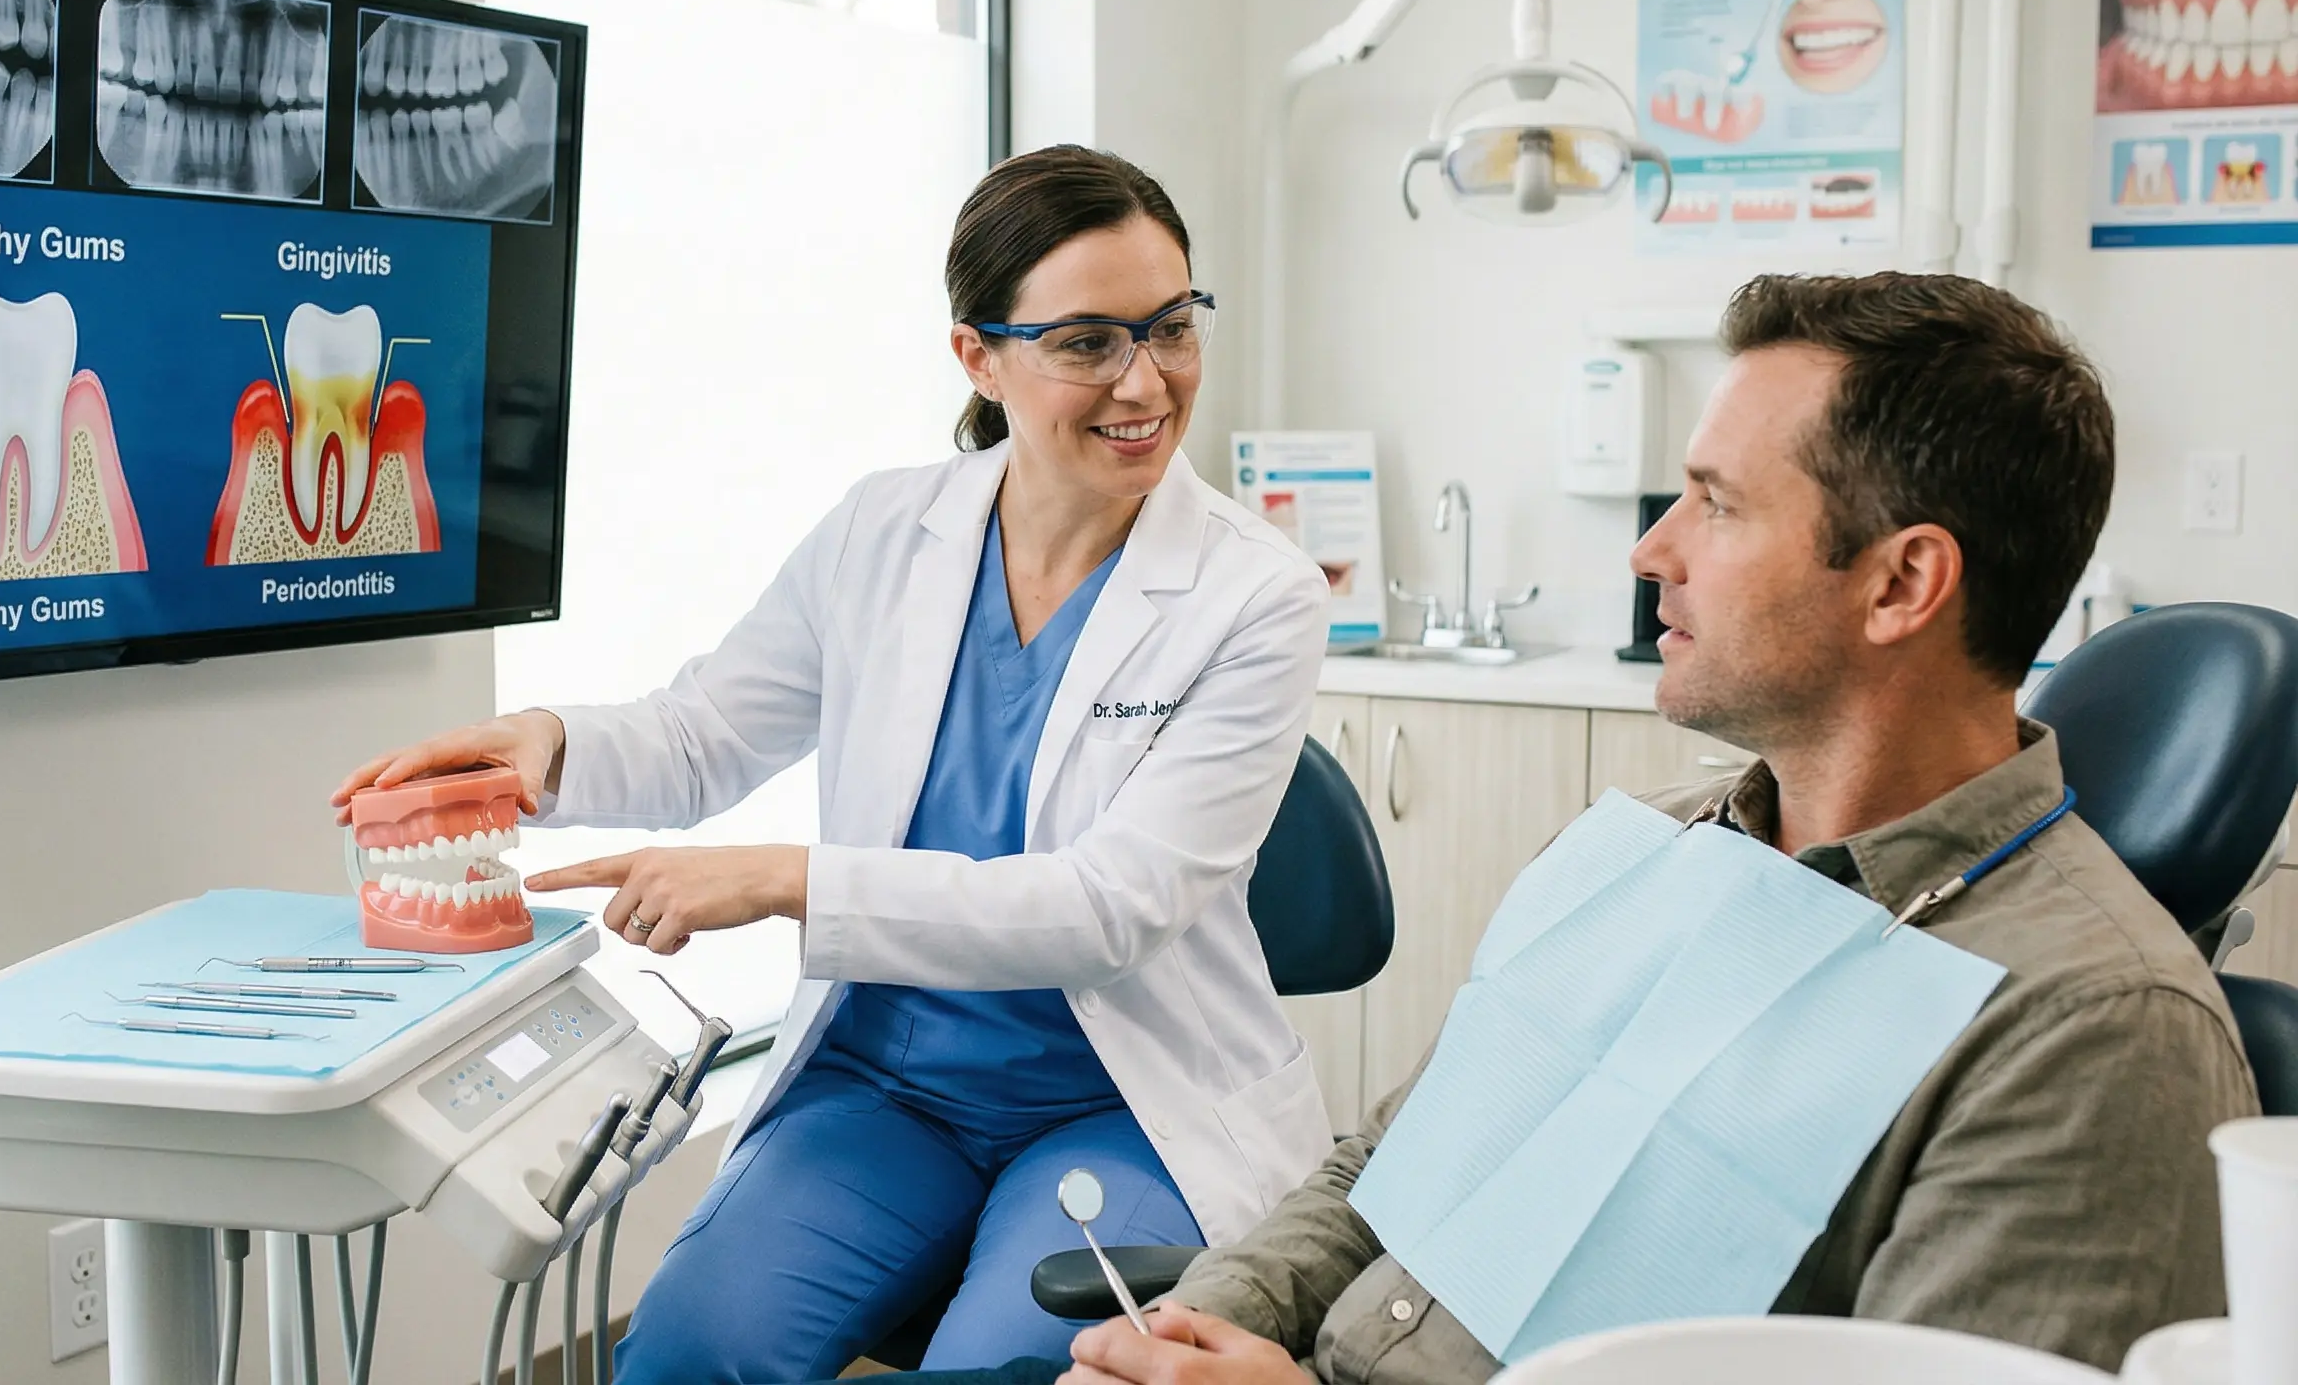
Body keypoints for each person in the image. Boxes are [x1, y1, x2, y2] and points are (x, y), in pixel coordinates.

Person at [854, 272, 2261, 1385]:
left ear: (1902, 584)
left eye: (1713, 504)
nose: (1650, 548)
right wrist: (1190, 1333)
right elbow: (1380, 1166)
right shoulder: (1650, 850)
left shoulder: (2091, 1031)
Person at [331, 146, 1335, 1380]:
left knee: (1012, 1371)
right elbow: (706, 731)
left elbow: (1110, 907)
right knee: (685, 1358)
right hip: (888, 1087)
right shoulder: (883, 531)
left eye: (1171, 327)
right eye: (1087, 342)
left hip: (1124, 1101)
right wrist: (552, 745)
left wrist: (785, 879)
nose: (1146, 380)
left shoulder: (1256, 595)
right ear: (979, 357)